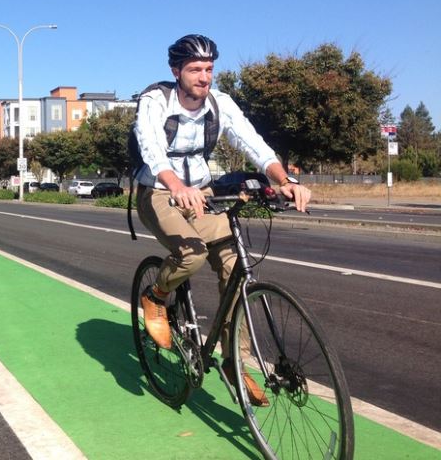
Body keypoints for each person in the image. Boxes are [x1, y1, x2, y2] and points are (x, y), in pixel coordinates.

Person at [133, 34, 311, 406]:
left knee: (237, 267)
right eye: (195, 69)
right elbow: (150, 147)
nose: (204, 77)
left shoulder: (220, 103)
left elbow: (254, 143)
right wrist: (176, 185)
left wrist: (284, 180)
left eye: (209, 69)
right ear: (176, 71)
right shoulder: (155, 101)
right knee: (192, 254)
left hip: (203, 193)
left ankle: (233, 359)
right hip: (160, 192)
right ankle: (157, 296)